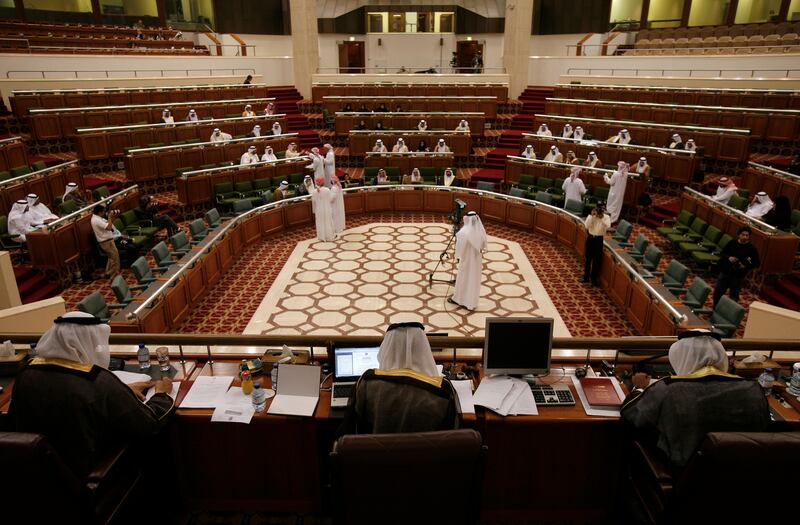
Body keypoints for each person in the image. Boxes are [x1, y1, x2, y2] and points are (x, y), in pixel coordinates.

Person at [9, 311, 175, 478]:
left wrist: (123, 391)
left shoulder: (26, 374)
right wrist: (162, 394)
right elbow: (149, 424)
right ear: (89, 342)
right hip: (88, 480)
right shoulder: (97, 380)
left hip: (34, 477)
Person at [621, 330, 769, 468]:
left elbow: (631, 414)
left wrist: (639, 388)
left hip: (686, 478)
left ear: (682, 358)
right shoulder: (753, 389)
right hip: (743, 476)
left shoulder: (669, 389)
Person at [342, 321, 458, 434]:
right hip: (424, 453)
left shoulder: (367, 383)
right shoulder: (443, 391)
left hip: (376, 453)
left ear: (387, 348)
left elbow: (353, 429)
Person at [713, 226, 760, 306]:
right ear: (739, 235)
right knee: (718, 293)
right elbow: (722, 253)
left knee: (733, 297)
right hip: (725, 272)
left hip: (738, 276)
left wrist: (745, 266)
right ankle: (715, 309)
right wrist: (729, 257)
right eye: (743, 234)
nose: (745, 237)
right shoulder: (732, 243)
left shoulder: (751, 248)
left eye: (747, 235)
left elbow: (757, 263)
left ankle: (730, 315)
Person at [449, 211, 487, 311]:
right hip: (476, 262)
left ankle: (459, 299)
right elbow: (483, 245)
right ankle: (471, 302)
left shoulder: (464, 232)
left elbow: (459, 247)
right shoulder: (480, 231)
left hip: (466, 261)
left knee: (463, 279)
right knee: (473, 280)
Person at [91, 204, 121, 281]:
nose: (104, 213)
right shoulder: (96, 220)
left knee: (111, 259)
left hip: (107, 241)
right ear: (99, 212)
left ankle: (108, 273)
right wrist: (110, 217)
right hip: (106, 242)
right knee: (115, 259)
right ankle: (114, 277)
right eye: (103, 212)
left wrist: (109, 218)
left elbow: (107, 224)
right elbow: (109, 227)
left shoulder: (97, 218)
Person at [583, 206, 611, 286]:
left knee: (596, 261)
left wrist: (601, 218)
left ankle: (593, 279)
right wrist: (592, 216)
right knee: (588, 259)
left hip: (599, 240)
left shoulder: (606, 217)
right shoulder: (592, 216)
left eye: (600, 211)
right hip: (590, 238)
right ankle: (586, 278)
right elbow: (586, 226)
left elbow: (608, 225)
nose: (598, 213)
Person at [311, 176, 335, 241]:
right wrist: (334, 194)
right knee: (327, 222)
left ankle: (321, 237)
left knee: (320, 223)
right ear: (323, 182)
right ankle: (329, 236)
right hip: (327, 209)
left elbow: (313, 202)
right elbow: (331, 199)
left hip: (318, 210)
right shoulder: (327, 190)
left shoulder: (314, 191)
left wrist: (314, 211)